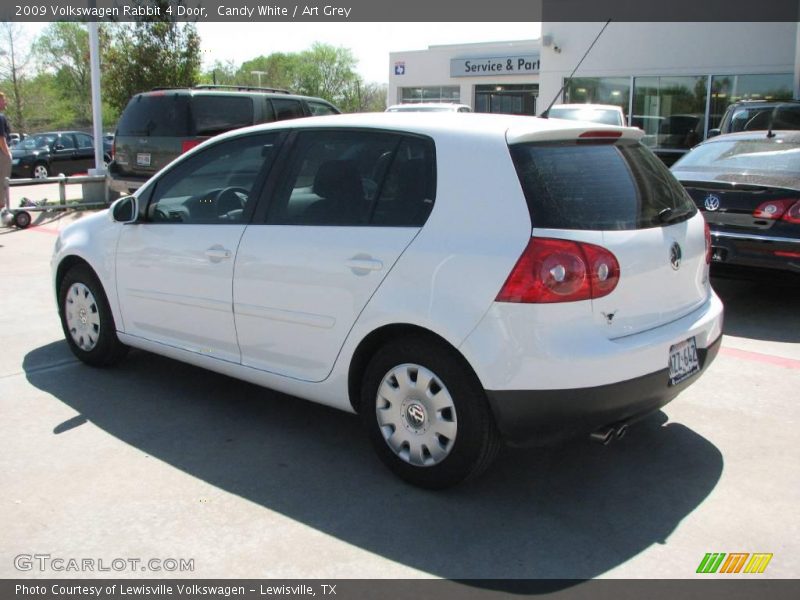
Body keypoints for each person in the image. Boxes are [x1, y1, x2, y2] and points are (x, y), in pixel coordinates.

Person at [0, 92, 11, 211]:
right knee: (3, 183)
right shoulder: (0, 117)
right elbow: (1, 138)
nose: (6, 102)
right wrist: (7, 154)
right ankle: (2, 211)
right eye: (4, 100)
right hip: (2, 154)